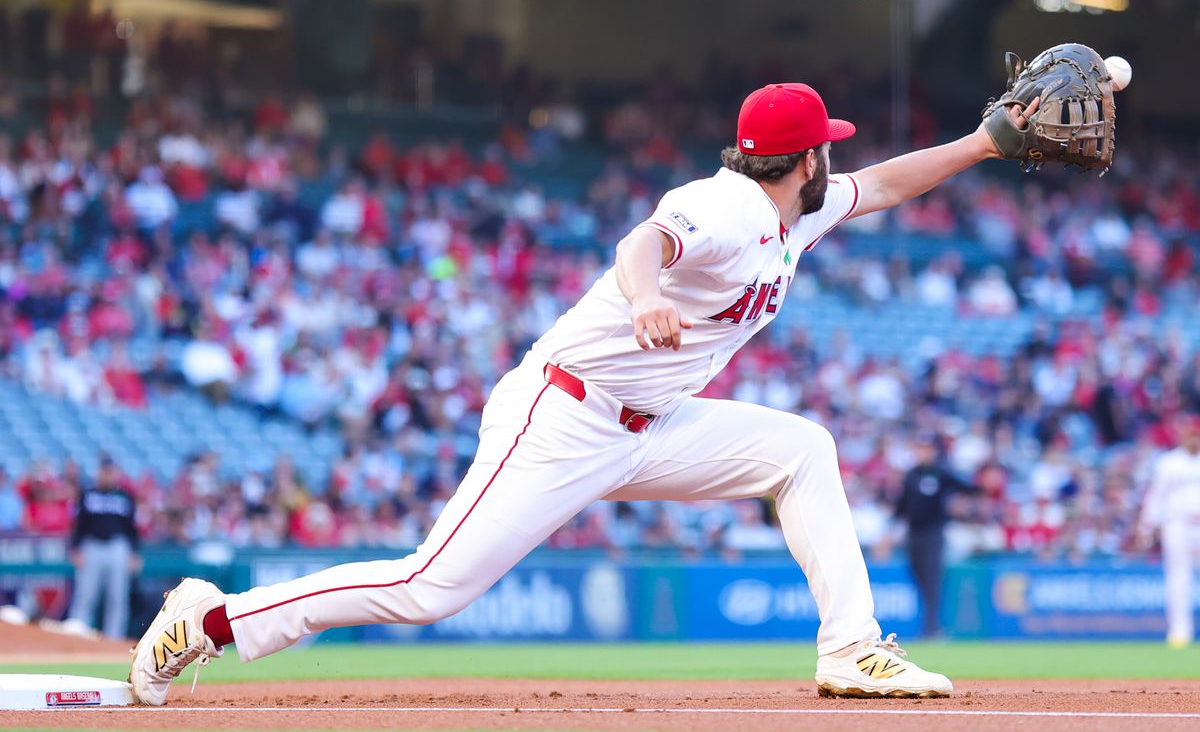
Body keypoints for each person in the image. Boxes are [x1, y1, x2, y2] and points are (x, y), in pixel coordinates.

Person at [129, 82, 1038, 704]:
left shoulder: (792, 207)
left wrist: (984, 144)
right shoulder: (724, 207)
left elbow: (880, 184)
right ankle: (205, 621)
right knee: (426, 588)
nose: (835, 165)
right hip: (562, 416)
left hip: (653, 424)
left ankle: (850, 646)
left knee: (802, 449)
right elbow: (643, 243)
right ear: (801, 160)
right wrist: (645, 298)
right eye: (824, 151)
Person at [894, 434, 975, 638]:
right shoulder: (911, 475)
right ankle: (929, 626)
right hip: (913, 534)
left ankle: (932, 629)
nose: (921, 453)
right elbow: (902, 506)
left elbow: (967, 488)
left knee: (932, 580)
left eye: (925, 449)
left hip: (933, 533)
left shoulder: (941, 473)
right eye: (918, 449)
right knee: (919, 579)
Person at [1138, 415, 1200, 647]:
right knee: (1178, 580)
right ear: (1183, 436)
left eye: (1196, 434)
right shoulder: (1168, 462)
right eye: (1190, 434)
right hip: (1178, 524)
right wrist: (1146, 525)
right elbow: (1156, 496)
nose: (1193, 439)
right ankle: (1179, 632)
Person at [67, 455, 141, 640]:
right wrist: (75, 547)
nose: (108, 475)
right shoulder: (88, 494)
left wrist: (134, 552)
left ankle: (113, 641)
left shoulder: (124, 496)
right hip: (92, 546)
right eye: (105, 471)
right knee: (86, 595)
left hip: (118, 546)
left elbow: (131, 527)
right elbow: (79, 524)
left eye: (111, 472)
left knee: (117, 597)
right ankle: (78, 635)